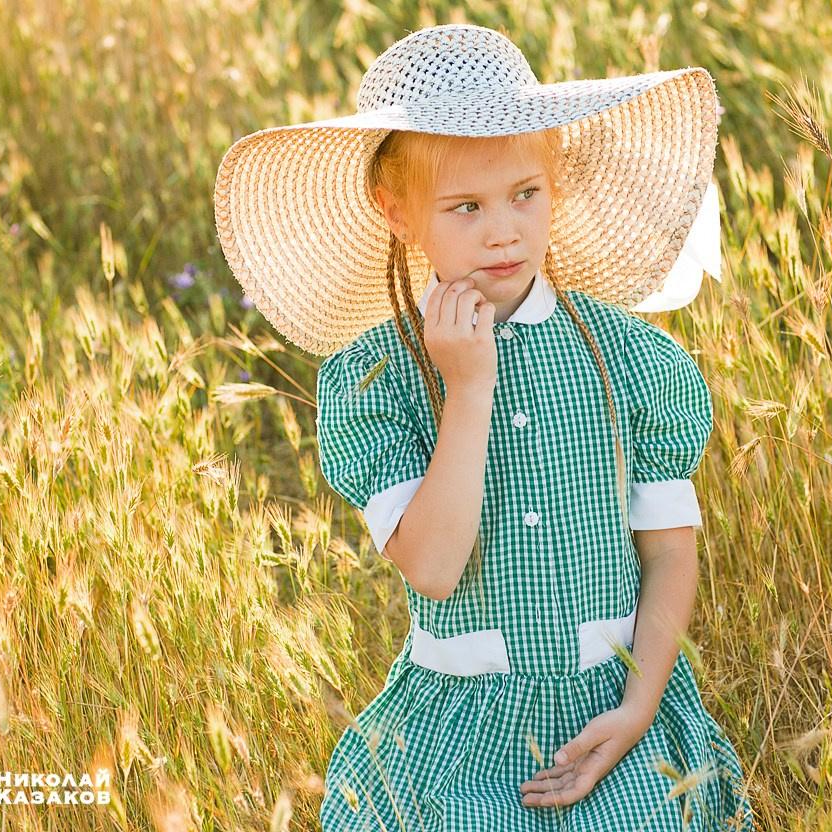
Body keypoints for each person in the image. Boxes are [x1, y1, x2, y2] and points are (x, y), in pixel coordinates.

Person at [213, 23, 753, 831]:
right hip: (458, 736)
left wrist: (641, 707)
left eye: (524, 194)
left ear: (554, 183)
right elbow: (432, 567)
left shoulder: (631, 358)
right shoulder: (381, 379)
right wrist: (466, 390)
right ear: (396, 213)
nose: (504, 231)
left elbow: (670, 548)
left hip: (614, 709)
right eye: (465, 206)